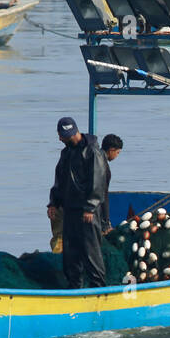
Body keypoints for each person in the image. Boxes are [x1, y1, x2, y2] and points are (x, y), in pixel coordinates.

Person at [47, 116, 108, 289]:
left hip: (88, 212)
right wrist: (53, 202)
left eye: (62, 136)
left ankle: (98, 288)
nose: (60, 139)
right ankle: (74, 287)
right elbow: (60, 180)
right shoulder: (66, 153)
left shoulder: (93, 152)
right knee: (71, 252)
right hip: (70, 210)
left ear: (71, 133)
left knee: (91, 251)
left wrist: (90, 207)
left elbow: (98, 181)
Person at [51, 132, 123, 250]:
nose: (117, 156)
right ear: (111, 150)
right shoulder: (102, 165)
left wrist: (53, 202)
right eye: (118, 153)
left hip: (62, 205)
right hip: (77, 210)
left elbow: (58, 179)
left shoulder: (70, 154)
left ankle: (59, 262)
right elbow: (102, 195)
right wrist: (105, 223)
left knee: (61, 242)